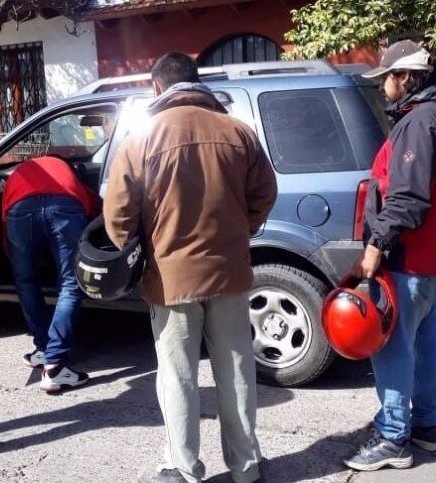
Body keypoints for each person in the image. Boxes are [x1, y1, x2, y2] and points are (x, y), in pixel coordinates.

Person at [103, 52, 277, 483]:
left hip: (169, 277)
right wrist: (240, 232)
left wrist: (136, 252)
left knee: (178, 377)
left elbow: (118, 216)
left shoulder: (141, 138)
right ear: (196, 83)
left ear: (158, 89)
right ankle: (246, 469)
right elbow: (265, 194)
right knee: (236, 374)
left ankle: (183, 468)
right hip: (230, 273)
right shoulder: (239, 132)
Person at [343, 40, 436, 471]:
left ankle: (393, 436)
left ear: (405, 77)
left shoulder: (421, 122)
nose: (382, 88)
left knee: (393, 346)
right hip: (435, 257)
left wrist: (374, 249)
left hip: (409, 257)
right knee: (432, 340)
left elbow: (407, 200)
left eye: (386, 79)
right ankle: (428, 427)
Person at [1, 155, 99, 392]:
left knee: (25, 282)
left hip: (19, 208)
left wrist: (11, 256)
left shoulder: (21, 171)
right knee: (69, 284)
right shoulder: (66, 172)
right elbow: (90, 206)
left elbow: (3, 216)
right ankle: (54, 365)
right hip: (64, 206)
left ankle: (43, 348)